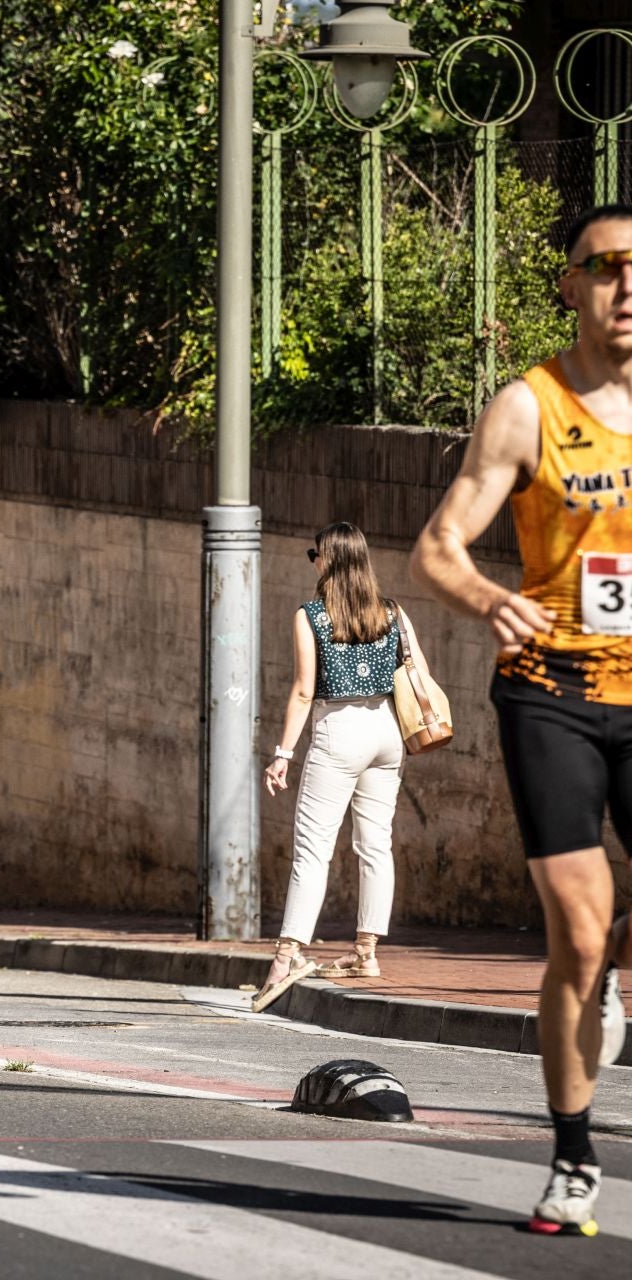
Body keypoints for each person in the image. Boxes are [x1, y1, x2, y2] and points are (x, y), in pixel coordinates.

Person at [410, 203, 632, 1236]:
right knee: (579, 936)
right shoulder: (529, 407)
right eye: (607, 268)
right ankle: (575, 1154)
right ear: (572, 286)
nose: (627, 287)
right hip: (555, 690)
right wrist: (488, 598)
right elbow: (437, 547)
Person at [253, 522, 432, 1012]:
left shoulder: (311, 616)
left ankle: (285, 959)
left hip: (338, 731)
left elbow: (305, 690)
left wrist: (282, 754)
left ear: (326, 561)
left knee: (313, 850)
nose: (313, 559)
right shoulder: (393, 612)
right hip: (387, 731)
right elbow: (417, 671)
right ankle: (365, 952)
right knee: (375, 843)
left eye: (316, 553)